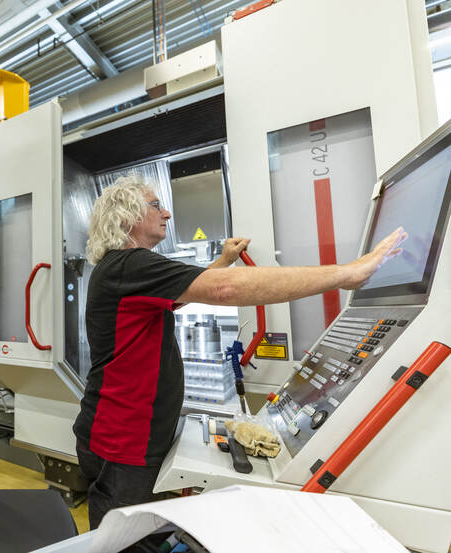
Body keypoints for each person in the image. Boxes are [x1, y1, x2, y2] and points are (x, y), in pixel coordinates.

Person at [73, 175, 406, 533]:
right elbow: (225, 290)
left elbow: (186, 293)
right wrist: (347, 273)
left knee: (133, 532)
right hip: (123, 440)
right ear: (126, 216)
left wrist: (224, 260)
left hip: (124, 433)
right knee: (119, 538)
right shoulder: (129, 264)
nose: (166, 213)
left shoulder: (125, 269)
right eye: (156, 205)